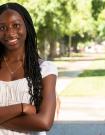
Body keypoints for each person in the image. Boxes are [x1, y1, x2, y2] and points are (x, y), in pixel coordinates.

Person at [0, 2, 58, 135]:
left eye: (16, 25)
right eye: (2, 28)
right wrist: (22, 108)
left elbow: (44, 122)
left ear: (27, 26)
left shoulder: (45, 69)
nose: (10, 33)